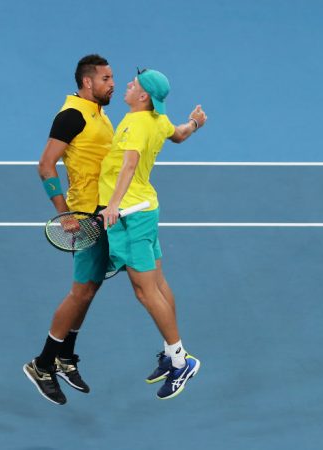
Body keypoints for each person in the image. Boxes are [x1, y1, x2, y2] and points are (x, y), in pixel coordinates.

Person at [98, 68, 207, 399]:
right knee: (158, 284)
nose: (128, 86)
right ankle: (171, 353)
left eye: (134, 84)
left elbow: (129, 166)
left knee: (145, 292)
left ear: (143, 96)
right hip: (147, 208)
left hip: (132, 214)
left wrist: (113, 206)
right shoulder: (157, 119)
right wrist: (197, 122)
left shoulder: (134, 124)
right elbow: (180, 134)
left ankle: (180, 360)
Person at [23, 54, 115, 405]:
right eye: (106, 78)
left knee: (90, 290)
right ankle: (42, 364)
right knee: (79, 292)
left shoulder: (99, 115)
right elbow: (45, 165)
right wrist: (64, 214)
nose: (112, 83)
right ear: (88, 82)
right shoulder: (71, 116)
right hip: (86, 215)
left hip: (105, 213)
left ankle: (64, 356)